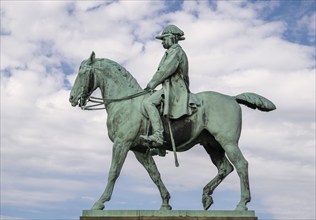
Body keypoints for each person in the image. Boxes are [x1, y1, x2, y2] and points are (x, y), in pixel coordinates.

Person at [140, 24, 190, 147]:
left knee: (148, 103)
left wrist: (151, 85)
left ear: (172, 38)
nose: (162, 42)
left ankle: (158, 135)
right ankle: (158, 146)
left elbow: (164, 71)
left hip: (176, 88)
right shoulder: (170, 52)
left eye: (164, 38)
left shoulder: (176, 52)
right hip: (169, 87)